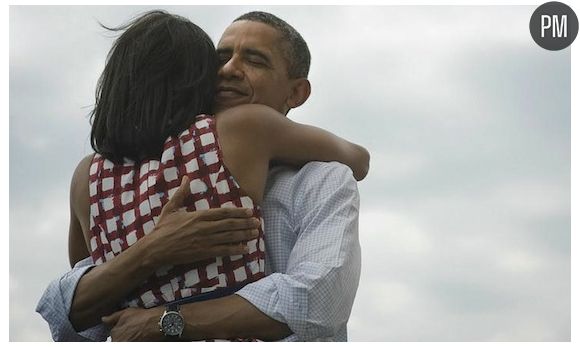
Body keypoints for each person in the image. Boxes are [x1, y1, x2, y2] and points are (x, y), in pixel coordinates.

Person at [37, 10, 365, 342]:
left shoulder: (322, 181)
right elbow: (80, 297)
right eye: (219, 59)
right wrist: (153, 249)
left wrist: (160, 318)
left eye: (255, 60)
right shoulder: (233, 135)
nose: (227, 70)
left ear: (296, 93)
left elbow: (317, 301)